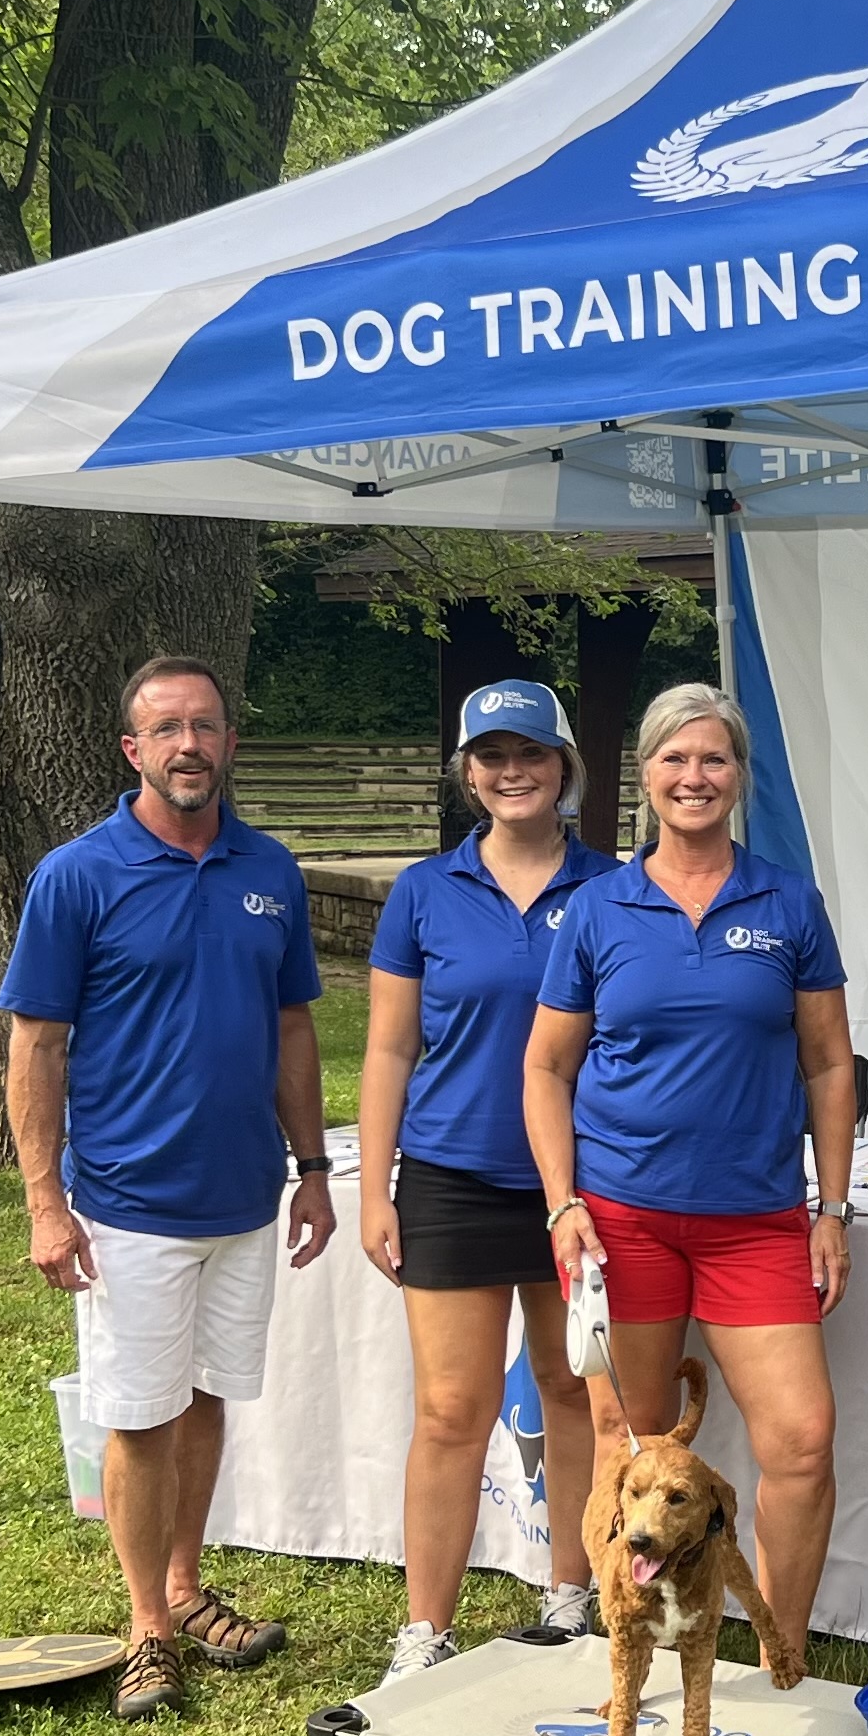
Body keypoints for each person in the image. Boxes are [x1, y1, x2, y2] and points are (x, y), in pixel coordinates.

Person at [0, 655, 336, 1721]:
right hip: (126, 1204)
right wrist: (45, 1200)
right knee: (139, 1416)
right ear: (131, 751)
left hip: (244, 1199)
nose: (189, 745)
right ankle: (146, 1624)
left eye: (205, 725)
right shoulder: (77, 875)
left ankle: (186, 1585)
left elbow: (292, 1026)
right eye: (166, 729)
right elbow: (37, 1043)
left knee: (204, 1401)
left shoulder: (269, 869)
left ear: (230, 741)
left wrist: (315, 1167)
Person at [524, 683, 856, 1665]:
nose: (694, 776)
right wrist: (561, 1204)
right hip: (624, 1223)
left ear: (738, 776)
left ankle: (779, 1648)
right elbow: (546, 1067)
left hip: (754, 1221)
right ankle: (640, 1637)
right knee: (631, 1445)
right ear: (647, 774)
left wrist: (830, 1206)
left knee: (800, 1439)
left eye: (713, 759)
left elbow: (830, 1061)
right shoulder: (597, 907)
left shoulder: (788, 902)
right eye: (675, 758)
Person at [360, 680, 617, 1684]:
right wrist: (377, 1189)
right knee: (451, 1410)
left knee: (574, 1390)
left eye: (533, 754)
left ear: (565, 769)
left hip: (577, 1184)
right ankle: (426, 1630)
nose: (513, 771)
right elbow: (386, 1049)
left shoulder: (612, 887)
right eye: (492, 754)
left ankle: (572, 1596)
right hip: (453, 1179)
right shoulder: (425, 891)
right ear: (468, 772)